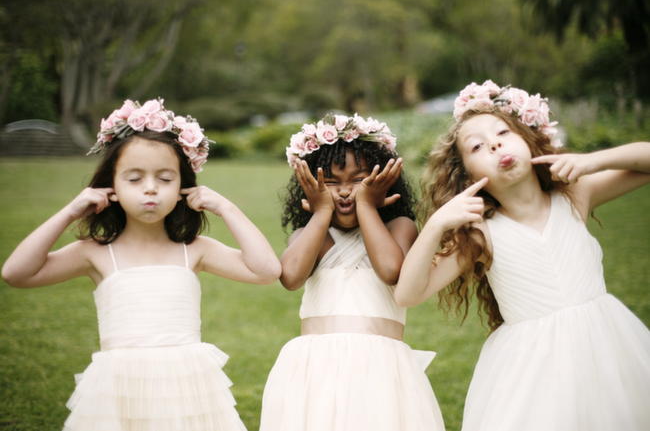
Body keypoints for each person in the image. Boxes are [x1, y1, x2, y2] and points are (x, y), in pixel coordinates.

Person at [1, 98, 281, 431]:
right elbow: (16, 273)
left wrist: (226, 208)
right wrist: (71, 211)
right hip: (119, 392)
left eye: (164, 179)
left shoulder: (194, 250)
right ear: (111, 187)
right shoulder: (96, 253)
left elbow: (266, 271)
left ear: (182, 187)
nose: (150, 189)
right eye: (134, 179)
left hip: (187, 391)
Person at [395, 80, 650, 431]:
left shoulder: (575, 196)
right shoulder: (480, 234)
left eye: (503, 132)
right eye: (477, 146)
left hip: (606, 345)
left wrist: (594, 160)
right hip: (534, 368)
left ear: (528, 139)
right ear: (466, 173)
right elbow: (408, 293)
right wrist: (437, 224)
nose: (495, 143)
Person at [259, 113, 445, 431]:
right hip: (314, 368)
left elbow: (390, 270)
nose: (345, 191)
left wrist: (367, 206)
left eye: (358, 180)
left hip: (381, 368)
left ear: (383, 178)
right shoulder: (309, 235)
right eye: (330, 182)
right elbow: (290, 278)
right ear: (310, 184)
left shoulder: (399, 227)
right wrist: (321, 212)